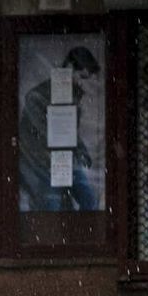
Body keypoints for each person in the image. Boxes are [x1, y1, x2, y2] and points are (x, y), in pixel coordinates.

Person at [18, 46, 101, 212]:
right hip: (41, 164)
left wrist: (79, 149)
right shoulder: (38, 97)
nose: (87, 83)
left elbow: (68, 131)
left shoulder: (72, 96)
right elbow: (49, 133)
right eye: (83, 77)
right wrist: (76, 149)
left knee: (88, 201)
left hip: (62, 161)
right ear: (70, 70)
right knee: (51, 207)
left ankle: (80, 234)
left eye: (89, 77)